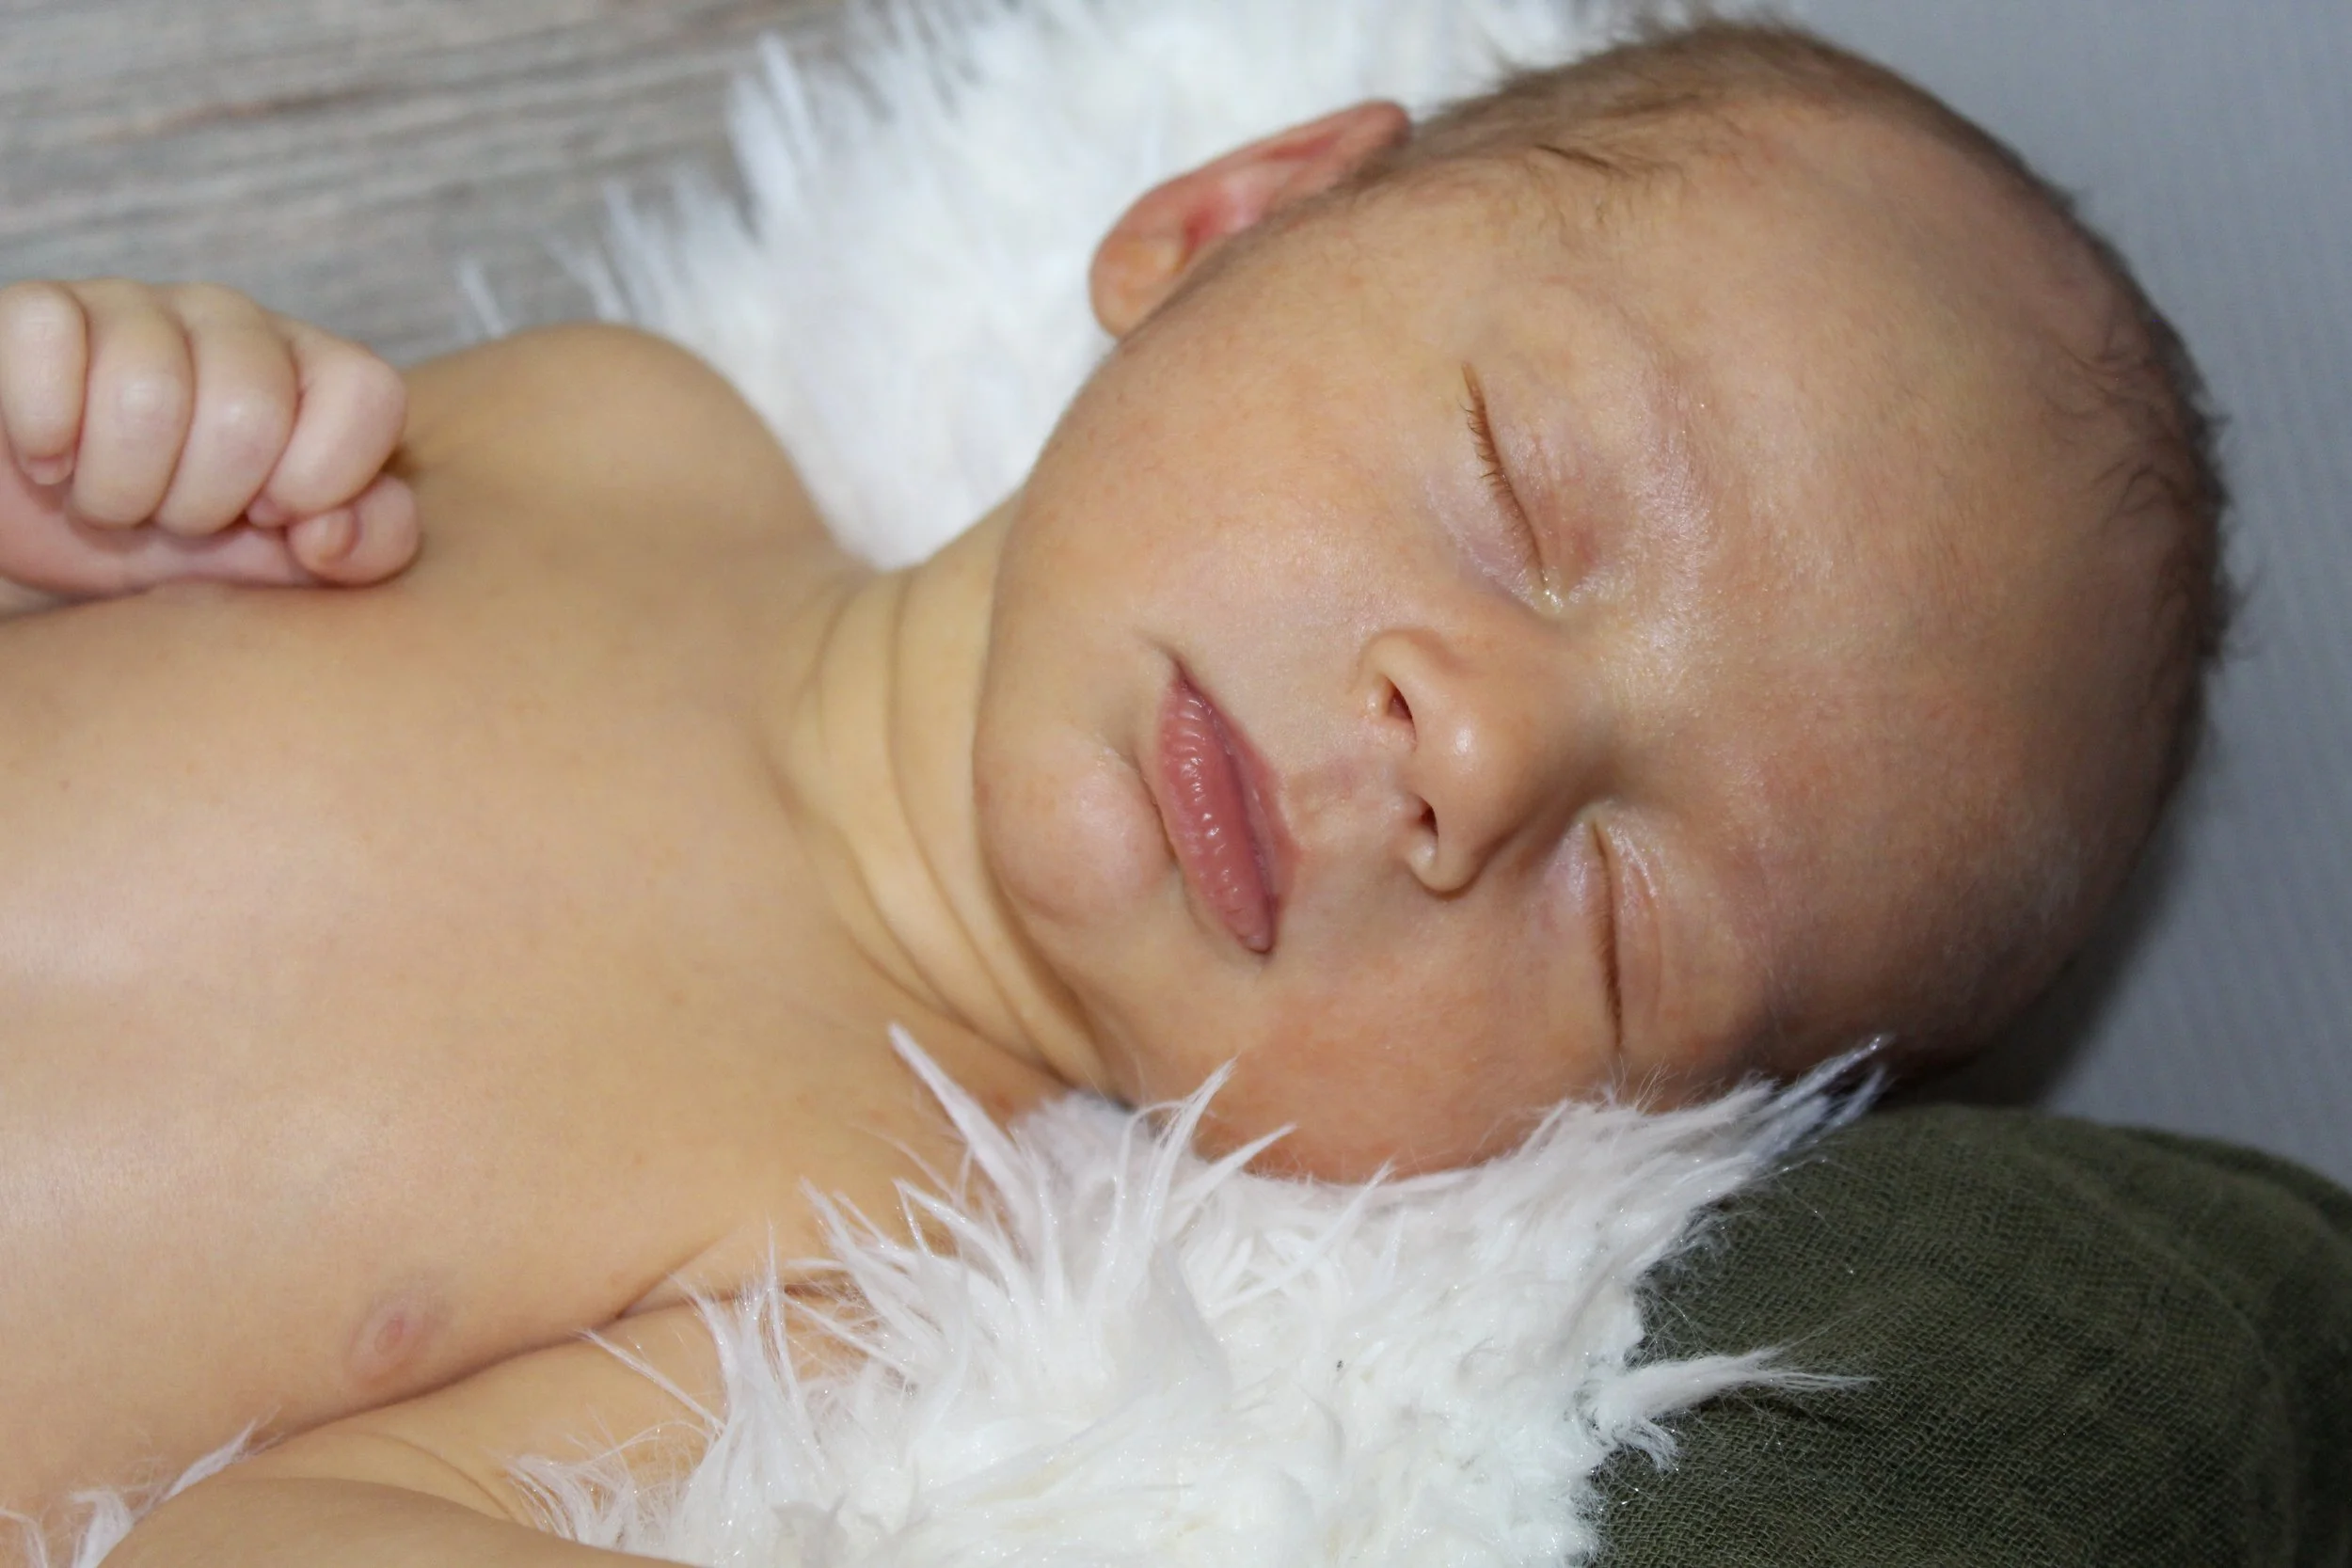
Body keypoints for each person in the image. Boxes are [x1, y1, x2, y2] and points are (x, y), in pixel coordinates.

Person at [0, 19, 2226, 1563]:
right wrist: (96, 442)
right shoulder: (614, 435)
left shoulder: (861, 1269)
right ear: (1225, 219)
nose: (1477, 751)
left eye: (1627, 916)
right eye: (1509, 486)